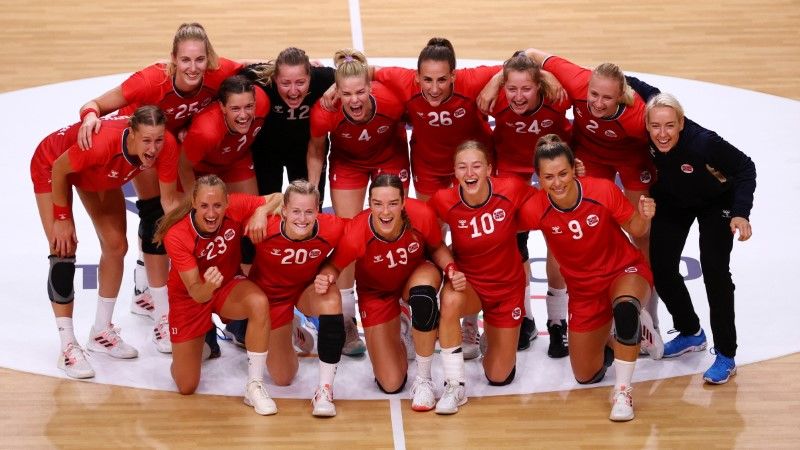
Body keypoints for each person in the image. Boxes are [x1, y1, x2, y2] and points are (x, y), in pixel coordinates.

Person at [76, 23, 250, 354]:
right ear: (172, 59)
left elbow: (251, 70)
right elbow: (96, 103)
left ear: (209, 59)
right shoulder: (149, 80)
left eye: (200, 60)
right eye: (185, 60)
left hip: (174, 146)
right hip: (143, 145)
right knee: (157, 213)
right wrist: (88, 117)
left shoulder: (215, 71)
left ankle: (144, 288)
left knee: (184, 211)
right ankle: (161, 316)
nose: (193, 67)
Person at [508, 48, 664, 347]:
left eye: (607, 98)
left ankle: (647, 317)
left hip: (631, 161)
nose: (597, 103)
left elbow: (669, 136)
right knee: (563, 228)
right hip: (590, 157)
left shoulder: (637, 117)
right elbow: (528, 53)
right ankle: (559, 319)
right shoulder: (577, 81)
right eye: (594, 94)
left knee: (642, 235)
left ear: (621, 96)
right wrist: (542, 76)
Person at [518, 134, 663, 421]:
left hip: (624, 272)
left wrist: (645, 216)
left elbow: (636, 230)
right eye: (549, 177)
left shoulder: (602, 190)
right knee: (586, 375)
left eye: (563, 173)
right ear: (538, 178)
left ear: (575, 169)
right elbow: (500, 226)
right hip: (584, 291)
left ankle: (623, 391)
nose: (557, 182)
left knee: (624, 307)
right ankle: (627, 335)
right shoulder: (535, 207)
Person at [30, 105, 178, 378]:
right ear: (131, 135)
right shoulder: (101, 143)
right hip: (53, 166)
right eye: (146, 140)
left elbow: (168, 203)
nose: (154, 148)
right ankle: (67, 347)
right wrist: (62, 217)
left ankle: (100, 332)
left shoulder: (165, 146)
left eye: (158, 140)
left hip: (98, 171)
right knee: (63, 247)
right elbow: (61, 169)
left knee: (116, 246)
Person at [315, 174, 462, 412]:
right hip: (376, 293)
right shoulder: (356, 232)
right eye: (378, 204)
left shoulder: (421, 214)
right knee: (391, 383)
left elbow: (436, 247)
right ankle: (402, 322)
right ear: (369, 204)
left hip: (414, 276)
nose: (385, 212)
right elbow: (333, 266)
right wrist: (326, 277)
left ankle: (424, 380)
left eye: (393, 203)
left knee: (423, 295)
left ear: (403, 202)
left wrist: (451, 268)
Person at [635, 90, 755, 384]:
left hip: (717, 202)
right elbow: (633, 83)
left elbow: (745, 167)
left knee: (715, 272)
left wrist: (741, 212)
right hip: (675, 199)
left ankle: (726, 354)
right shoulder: (648, 127)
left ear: (681, 122)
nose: (662, 134)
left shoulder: (704, 143)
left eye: (669, 126)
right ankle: (690, 332)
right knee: (661, 267)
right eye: (655, 127)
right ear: (647, 124)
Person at [308, 48, 410, 356]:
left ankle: (402, 307)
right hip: (348, 163)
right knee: (349, 236)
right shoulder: (325, 110)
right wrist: (313, 190)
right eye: (347, 93)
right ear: (336, 92)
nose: (354, 100)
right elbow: (315, 151)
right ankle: (348, 317)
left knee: (393, 231)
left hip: (389, 157)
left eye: (361, 92)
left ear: (370, 87)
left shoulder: (391, 99)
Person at [153, 174, 283, 415]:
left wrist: (260, 212)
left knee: (258, 302)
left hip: (226, 283)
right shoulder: (178, 234)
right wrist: (208, 286)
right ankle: (205, 341)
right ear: (193, 203)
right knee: (186, 385)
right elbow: (197, 293)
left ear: (226, 203)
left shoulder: (236, 206)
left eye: (217, 205)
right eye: (204, 206)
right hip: (190, 296)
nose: (211, 213)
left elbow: (280, 197)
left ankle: (254, 386)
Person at [428, 141, 535, 415]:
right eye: (462, 167)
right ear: (454, 171)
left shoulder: (511, 188)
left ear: (489, 169)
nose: (469, 172)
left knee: (499, 376)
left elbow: (549, 203)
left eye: (476, 166)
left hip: (506, 289)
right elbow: (428, 235)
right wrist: (449, 266)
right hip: (471, 284)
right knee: (449, 299)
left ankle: (494, 338)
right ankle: (455, 384)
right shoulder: (444, 199)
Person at [486, 50, 574, 357]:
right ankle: (524, 317)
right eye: (512, 88)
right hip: (512, 177)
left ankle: (558, 320)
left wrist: (546, 74)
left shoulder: (557, 97)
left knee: (558, 245)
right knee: (516, 247)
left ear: (539, 86)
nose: (519, 96)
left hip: (551, 176)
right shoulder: (494, 99)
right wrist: (497, 79)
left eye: (526, 88)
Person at [248, 180, 348, 416]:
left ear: (318, 211)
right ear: (283, 210)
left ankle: (324, 391)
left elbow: (360, 233)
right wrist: (261, 210)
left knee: (331, 297)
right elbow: (225, 206)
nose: (302, 219)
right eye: (295, 211)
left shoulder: (332, 227)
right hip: (272, 298)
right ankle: (292, 328)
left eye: (309, 212)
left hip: (306, 290)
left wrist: (330, 271)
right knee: (283, 377)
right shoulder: (263, 226)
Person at [241, 47, 336, 204]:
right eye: (285, 83)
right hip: (266, 152)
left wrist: (335, 85)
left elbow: (358, 74)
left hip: (307, 152)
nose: (293, 91)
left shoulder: (323, 78)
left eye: (300, 82)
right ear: (275, 77)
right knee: (267, 208)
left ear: (310, 75)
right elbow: (230, 68)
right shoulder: (259, 79)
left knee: (310, 205)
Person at [180, 74, 269, 195]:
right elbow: (183, 167)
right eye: (235, 109)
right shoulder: (206, 132)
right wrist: (192, 202)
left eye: (249, 106)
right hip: (200, 168)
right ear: (222, 107)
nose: (243, 115)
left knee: (252, 209)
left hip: (236, 161)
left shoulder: (262, 102)